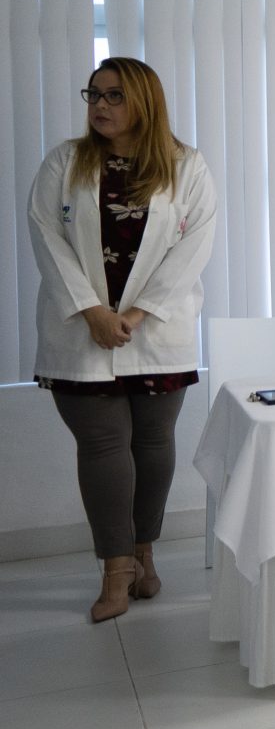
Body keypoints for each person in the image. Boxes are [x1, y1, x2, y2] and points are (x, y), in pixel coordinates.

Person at [27, 58, 218, 624]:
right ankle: (115, 571)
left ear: (144, 102)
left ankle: (142, 554)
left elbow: (193, 249)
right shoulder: (65, 161)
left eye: (113, 96)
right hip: (82, 332)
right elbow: (46, 236)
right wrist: (92, 312)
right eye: (93, 95)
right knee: (105, 448)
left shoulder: (187, 166)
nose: (100, 106)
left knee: (153, 448)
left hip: (156, 330)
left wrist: (134, 314)